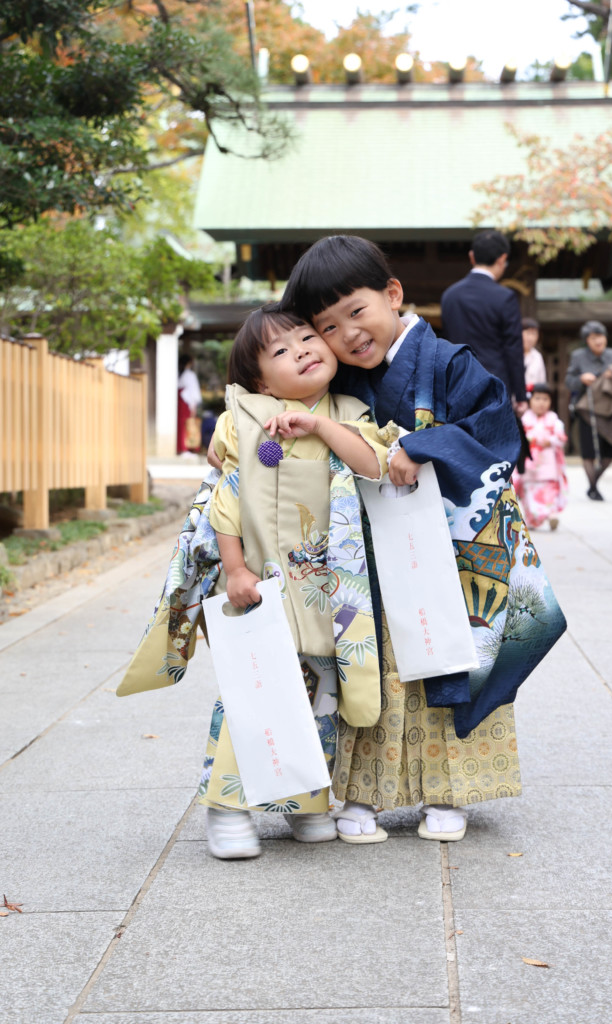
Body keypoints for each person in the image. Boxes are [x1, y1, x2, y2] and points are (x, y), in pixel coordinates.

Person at [282, 234, 566, 845]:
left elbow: (496, 431)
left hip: (449, 553)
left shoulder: (449, 362)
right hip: (369, 556)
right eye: (327, 327)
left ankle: (449, 791)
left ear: (393, 293)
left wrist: (424, 445)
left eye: (357, 311)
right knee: (373, 666)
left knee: (449, 657)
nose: (348, 335)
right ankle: (362, 792)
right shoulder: (339, 382)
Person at [119, 303, 391, 859]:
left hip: (327, 589)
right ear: (261, 381)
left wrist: (321, 426)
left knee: (323, 695)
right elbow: (226, 501)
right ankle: (227, 810)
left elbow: (371, 464)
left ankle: (306, 803)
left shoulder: (351, 411)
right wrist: (236, 569)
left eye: (308, 338)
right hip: (261, 582)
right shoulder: (242, 419)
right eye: (282, 351)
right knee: (254, 693)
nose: (304, 351)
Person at [440, 230, 527, 412]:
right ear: (502, 259)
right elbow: (513, 349)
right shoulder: (505, 297)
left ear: (472, 256)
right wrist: (520, 395)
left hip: (457, 384)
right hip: (494, 384)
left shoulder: (450, 296)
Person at [565, 321, 612, 501]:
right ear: (587, 341)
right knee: (589, 450)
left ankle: (593, 484)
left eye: (601, 336)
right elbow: (569, 381)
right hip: (587, 408)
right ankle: (593, 487)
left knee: (611, 448)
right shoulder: (578, 356)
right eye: (593, 338)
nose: (598, 341)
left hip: (610, 409)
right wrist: (581, 379)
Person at [512, 384, 568, 531]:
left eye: (545, 399)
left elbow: (561, 438)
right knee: (529, 492)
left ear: (551, 402)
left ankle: (551, 514)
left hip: (548, 462)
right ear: (530, 400)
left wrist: (550, 440)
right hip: (528, 463)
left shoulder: (554, 420)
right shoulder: (524, 420)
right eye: (537, 398)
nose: (541, 403)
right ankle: (532, 519)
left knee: (548, 490)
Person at [177, 354, 202, 455]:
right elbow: (193, 392)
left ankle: (181, 447)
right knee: (187, 424)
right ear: (189, 363)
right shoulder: (190, 375)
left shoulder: (179, 374)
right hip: (187, 403)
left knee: (181, 425)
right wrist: (193, 406)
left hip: (180, 402)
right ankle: (187, 448)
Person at [522, 317, 547, 393]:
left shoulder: (538, 357)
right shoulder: (510, 354)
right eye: (528, 333)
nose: (531, 338)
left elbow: (541, 382)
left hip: (532, 396)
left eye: (534, 334)